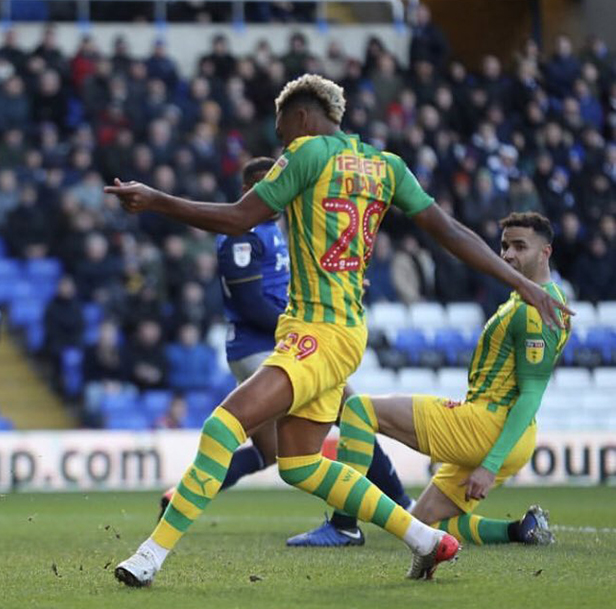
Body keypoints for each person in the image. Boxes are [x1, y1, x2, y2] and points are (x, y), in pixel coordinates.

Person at [105, 74, 570, 586]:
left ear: (303, 117)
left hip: (317, 331)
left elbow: (240, 218)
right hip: (346, 330)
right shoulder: (387, 165)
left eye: (283, 133)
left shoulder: (307, 152)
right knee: (300, 464)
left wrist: (155, 201)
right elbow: (452, 232)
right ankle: (427, 539)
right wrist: (519, 283)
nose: (283, 145)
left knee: (222, 425)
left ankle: (150, 556)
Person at [156, 157, 415, 547]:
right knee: (354, 414)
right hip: (266, 347)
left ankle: (179, 496)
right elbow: (250, 303)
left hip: (271, 346)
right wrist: (302, 327)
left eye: (278, 183)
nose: (275, 193)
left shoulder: (275, 228)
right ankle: (400, 505)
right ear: (246, 191)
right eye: (264, 185)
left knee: (270, 452)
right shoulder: (243, 234)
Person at [293, 212, 564, 547]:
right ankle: (520, 530)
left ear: (545, 252)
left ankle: (343, 525)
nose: (508, 254)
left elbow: (532, 393)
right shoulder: (529, 298)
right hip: (500, 430)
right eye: (505, 246)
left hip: (490, 425)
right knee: (423, 523)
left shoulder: (535, 310)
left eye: (520, 247)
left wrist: (489, 466)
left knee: (359, 410)